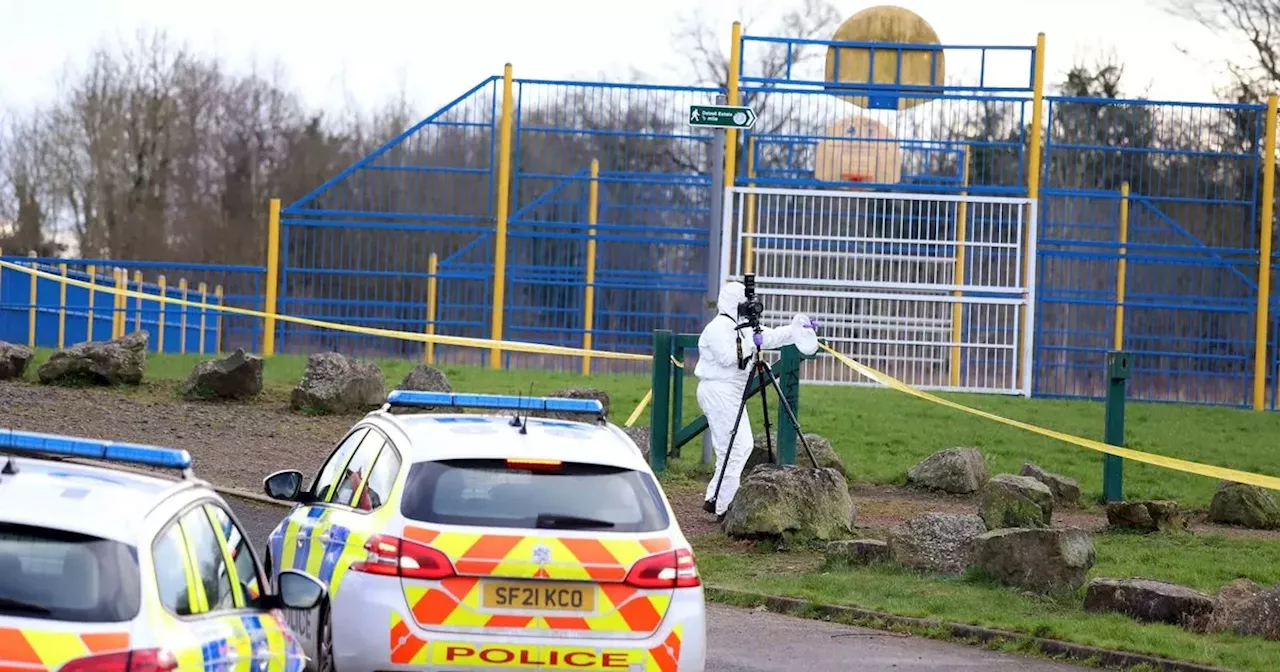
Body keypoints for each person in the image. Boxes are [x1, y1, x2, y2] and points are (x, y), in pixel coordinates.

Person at [694, 281, 819, 519]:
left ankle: (716, 498)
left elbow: (769, 337)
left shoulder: (741, 327)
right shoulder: (719, 327)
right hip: (718, 390)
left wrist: (797, 329)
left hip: (730, 391)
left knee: (731, 448)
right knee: (736, 447)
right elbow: (727, 357)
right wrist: (753, 345)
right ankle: (723, 505)